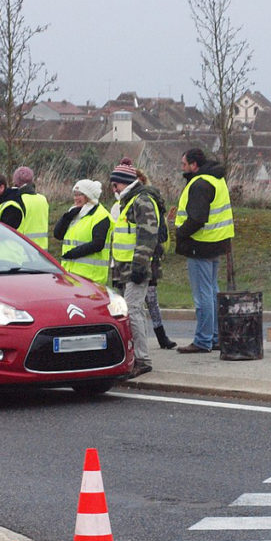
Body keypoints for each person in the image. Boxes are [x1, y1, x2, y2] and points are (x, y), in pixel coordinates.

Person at [174, 148, 234, 354]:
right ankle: (215, 337)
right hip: (216, 242)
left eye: (184, 165)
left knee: (203, 296)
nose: (182, 168)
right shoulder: (216, 179)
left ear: (194, 165)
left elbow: (197, 218)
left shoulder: (199, 184)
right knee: (212, 291)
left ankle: (203, 339)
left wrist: (180, 232)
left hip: (199, 244)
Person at [109, 158, 160, 377]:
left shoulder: (141, 201)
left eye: (115, 184)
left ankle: (142, 358)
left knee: (133, 311)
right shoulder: (127, 201)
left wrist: (140, 265)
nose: (113, 188)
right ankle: (133, 357)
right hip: (124, 267)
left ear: (124, 183)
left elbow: (147, 236)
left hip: (135, 268)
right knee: (129, 312)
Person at [136, 167, 176, 350]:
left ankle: (161, 336)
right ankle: (150, 337)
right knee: (138, 303)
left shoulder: (148, 203)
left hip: (148, 257)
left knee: (150, 299)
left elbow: (160, 230)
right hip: (130, 259)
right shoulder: (123, 205)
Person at [52, 179, 111, 284]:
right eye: (75, 194)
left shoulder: (101, 216)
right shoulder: (75, 213)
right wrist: (66, 217)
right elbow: (58, 235)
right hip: (70, 274)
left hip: (91, 277)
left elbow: (98, 244)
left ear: (88, 196)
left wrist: (73, 253)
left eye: (79, 195)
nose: (76, 198)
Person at [12, 166, 50, 249]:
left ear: (16, 182)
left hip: (23, 251)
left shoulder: (16, 200)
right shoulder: (43, 199)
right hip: (42, 252)